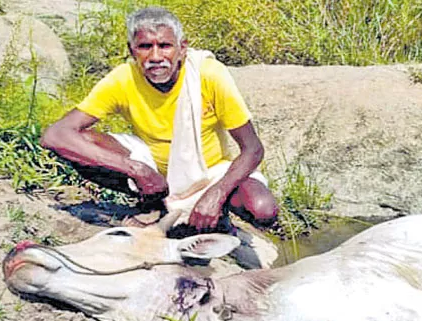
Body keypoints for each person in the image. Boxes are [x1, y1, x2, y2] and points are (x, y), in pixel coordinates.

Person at [40, 6, 279, 232]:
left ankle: (215, 214)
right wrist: (136, 170)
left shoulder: (208, 74)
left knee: (262, 209)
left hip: (210, 171)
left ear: (182, 48)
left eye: (165, 46)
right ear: (132, 50)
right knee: (79, 142)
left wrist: (216, 193)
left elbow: (253, 149)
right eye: (145, 47)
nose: (155, 56)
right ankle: (152, 205)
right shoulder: (123, 79)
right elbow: (56, 135)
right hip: (152, 170)